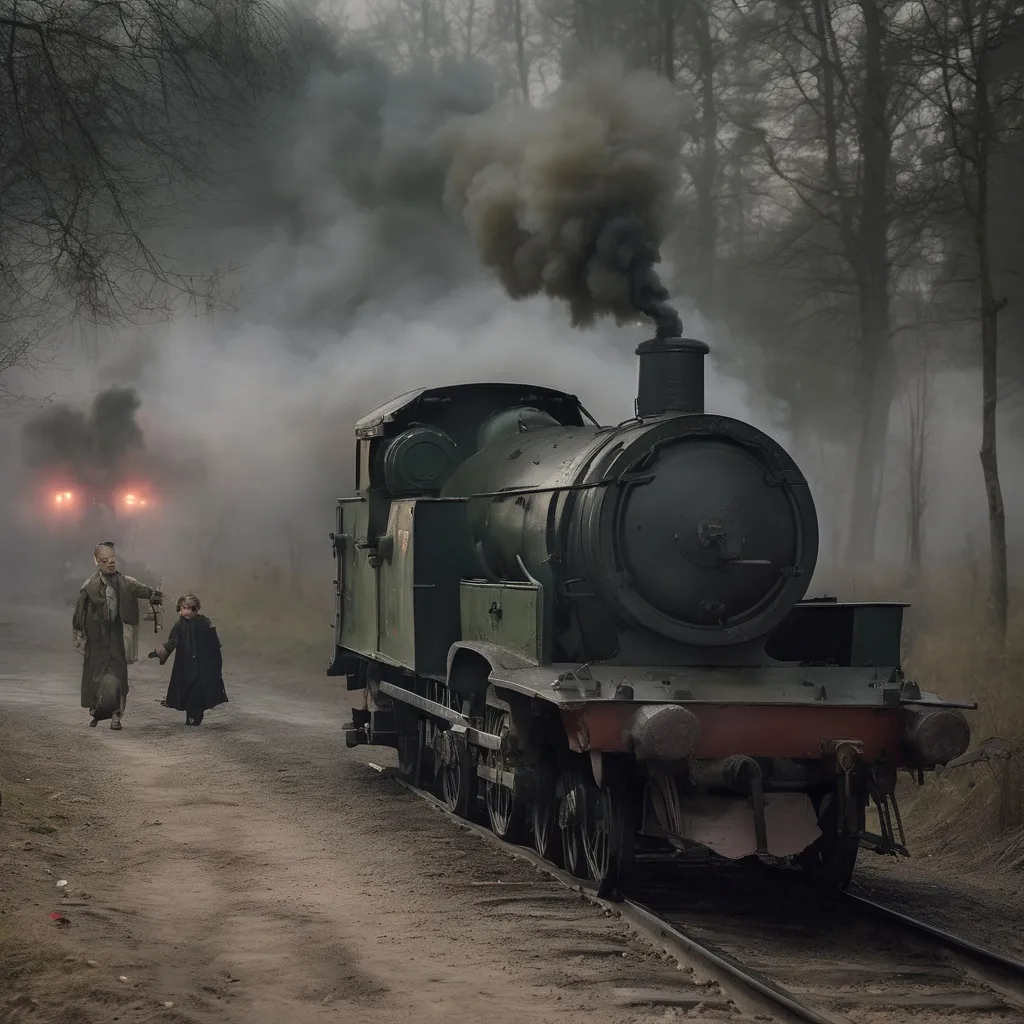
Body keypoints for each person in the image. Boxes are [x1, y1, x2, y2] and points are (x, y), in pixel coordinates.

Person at [73, 542, 163, 730]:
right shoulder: (89, 586)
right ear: (96, 561)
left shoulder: (125, 581)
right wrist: (79, 635)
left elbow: (141, 590)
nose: (110, 563)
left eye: (113, 558)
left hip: (117, 638)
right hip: (96, 640)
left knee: (118, 677)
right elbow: (79, 613)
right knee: (96, 677)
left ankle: (116, 716)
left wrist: (154, 594)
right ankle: (97, 712)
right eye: (105, 560)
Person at [149, 593, 227, 726]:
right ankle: (190, 715)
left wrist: (213, 663)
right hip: (185, 663)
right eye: (185, 608)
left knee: (198, 690)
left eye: (192, 608)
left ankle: (195, 716)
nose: (188, 611)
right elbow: (172, 641)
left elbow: (214, 643)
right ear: (180, 608)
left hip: (202, 663)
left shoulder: (204, 622)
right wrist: (160, 652)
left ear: (197, 609)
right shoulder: (179, 624)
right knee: (187, 687)